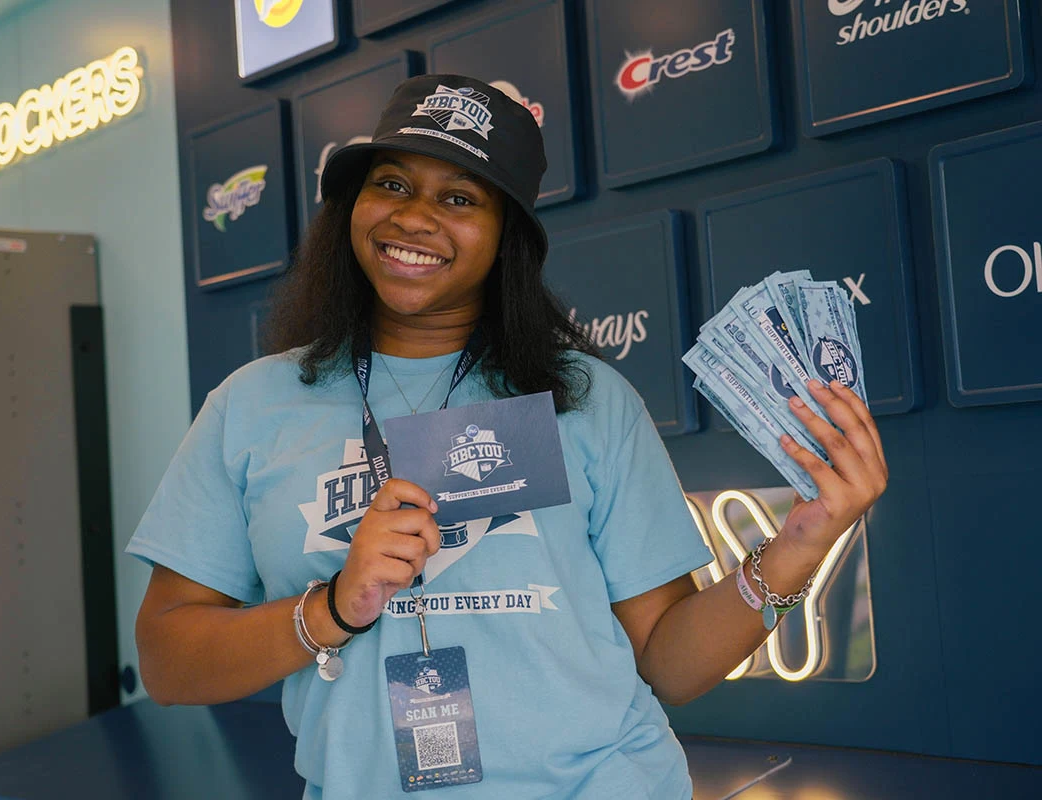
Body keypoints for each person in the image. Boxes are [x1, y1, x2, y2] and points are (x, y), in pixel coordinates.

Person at [128, 75, 888, 799]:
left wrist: (802, 545)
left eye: (459, 197)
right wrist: (330, 609)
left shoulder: (584, 400)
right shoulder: (254, 404)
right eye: (391, 183)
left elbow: (671, 664)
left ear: (507, 237)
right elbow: (168, 662)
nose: (414, 217)